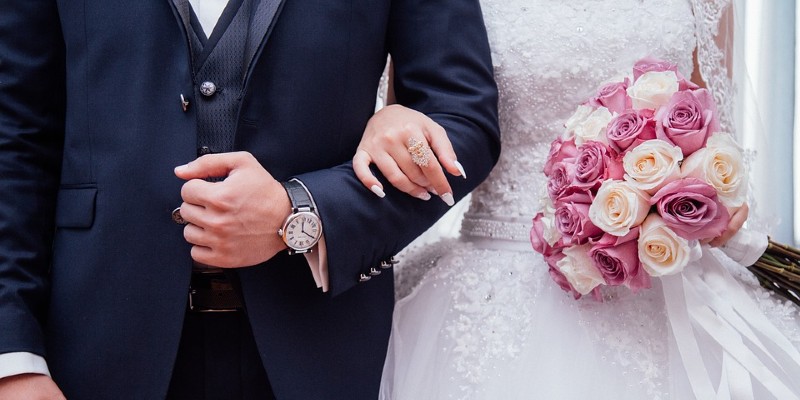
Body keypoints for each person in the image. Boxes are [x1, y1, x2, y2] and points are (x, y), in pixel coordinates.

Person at [0, 1, 499, 399]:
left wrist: (304, 213)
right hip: (92, 345)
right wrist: (12, 360)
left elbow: (463, 122)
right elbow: (16, 136)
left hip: (318, 343)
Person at [354, 1, 800, 399]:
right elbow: (422, 134)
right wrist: (386, 122)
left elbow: (711, 123)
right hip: (493, 287)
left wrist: (710, 197)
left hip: (665, 273)